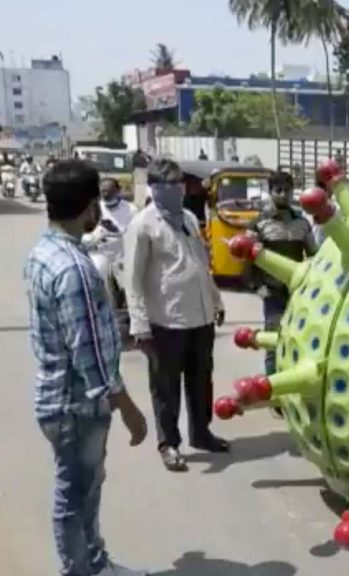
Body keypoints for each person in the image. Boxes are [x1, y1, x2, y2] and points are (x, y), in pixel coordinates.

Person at [23, 160, 149, 576]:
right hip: (76, 407)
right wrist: (130, 409)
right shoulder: (75, 269)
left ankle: (93, 562)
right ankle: (79, 569)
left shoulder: (45, 252)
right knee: (76, 494)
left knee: (85, 489)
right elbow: (90, 357)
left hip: (60, 397)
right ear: (91, 205)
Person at [124, 159, 228, 472]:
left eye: (179, 183)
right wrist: (139, 325)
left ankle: (201, 432)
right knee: (166, 386)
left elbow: (201, 266)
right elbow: (133, 279)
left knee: (201, 380)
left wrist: (216, 301)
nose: (177, 189)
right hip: (165, 320)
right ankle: (168, 443)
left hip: (201, 317)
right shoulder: (143, 225)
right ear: (155, 188)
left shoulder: (189, 218)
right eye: (169, 184)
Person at [248, 171, 318, 375]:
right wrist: (257, 286)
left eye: (287, 191)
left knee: (298, 336)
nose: (283, 195)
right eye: (278, 190)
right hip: (272, 290)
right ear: (270, 192)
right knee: (274, 340)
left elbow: (313, 254)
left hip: (297, 291)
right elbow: (247, 258)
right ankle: (271, 385)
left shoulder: (302, 223)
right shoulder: (259, 223)